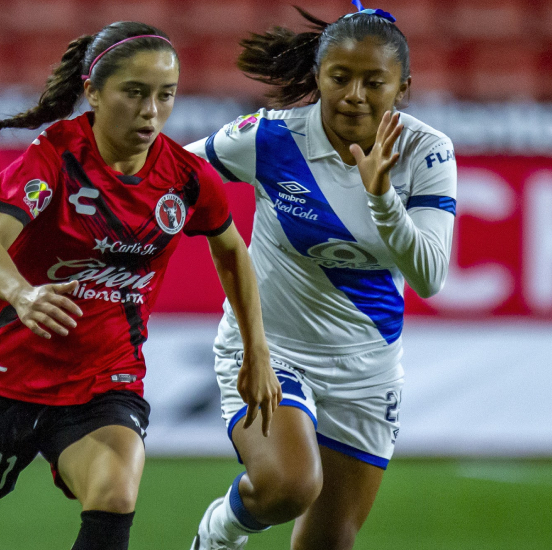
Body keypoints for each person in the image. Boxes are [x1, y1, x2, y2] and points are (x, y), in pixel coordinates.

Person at [0, 20, 282, 550]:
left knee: (114, 494)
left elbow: (232, 251)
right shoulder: (55, 157)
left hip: (103, 381)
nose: (151, 110)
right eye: (134, 92)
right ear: (92, 91)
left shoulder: (186, 176)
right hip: (2, 377)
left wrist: (258, 351)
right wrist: (23, 294)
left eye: (166, 95)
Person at [185, 3, 457, 549]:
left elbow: (429, 276)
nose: (355, 93)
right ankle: (218, 533)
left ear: (403, 86)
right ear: (317, 76)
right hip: (269, 350)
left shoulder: (426, 153)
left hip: (367, 373)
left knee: (328, 542)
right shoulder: (269, 138)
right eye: (340, 77)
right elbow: (172, 175)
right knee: (288, 485)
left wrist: (381, 198)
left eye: (374, 81)